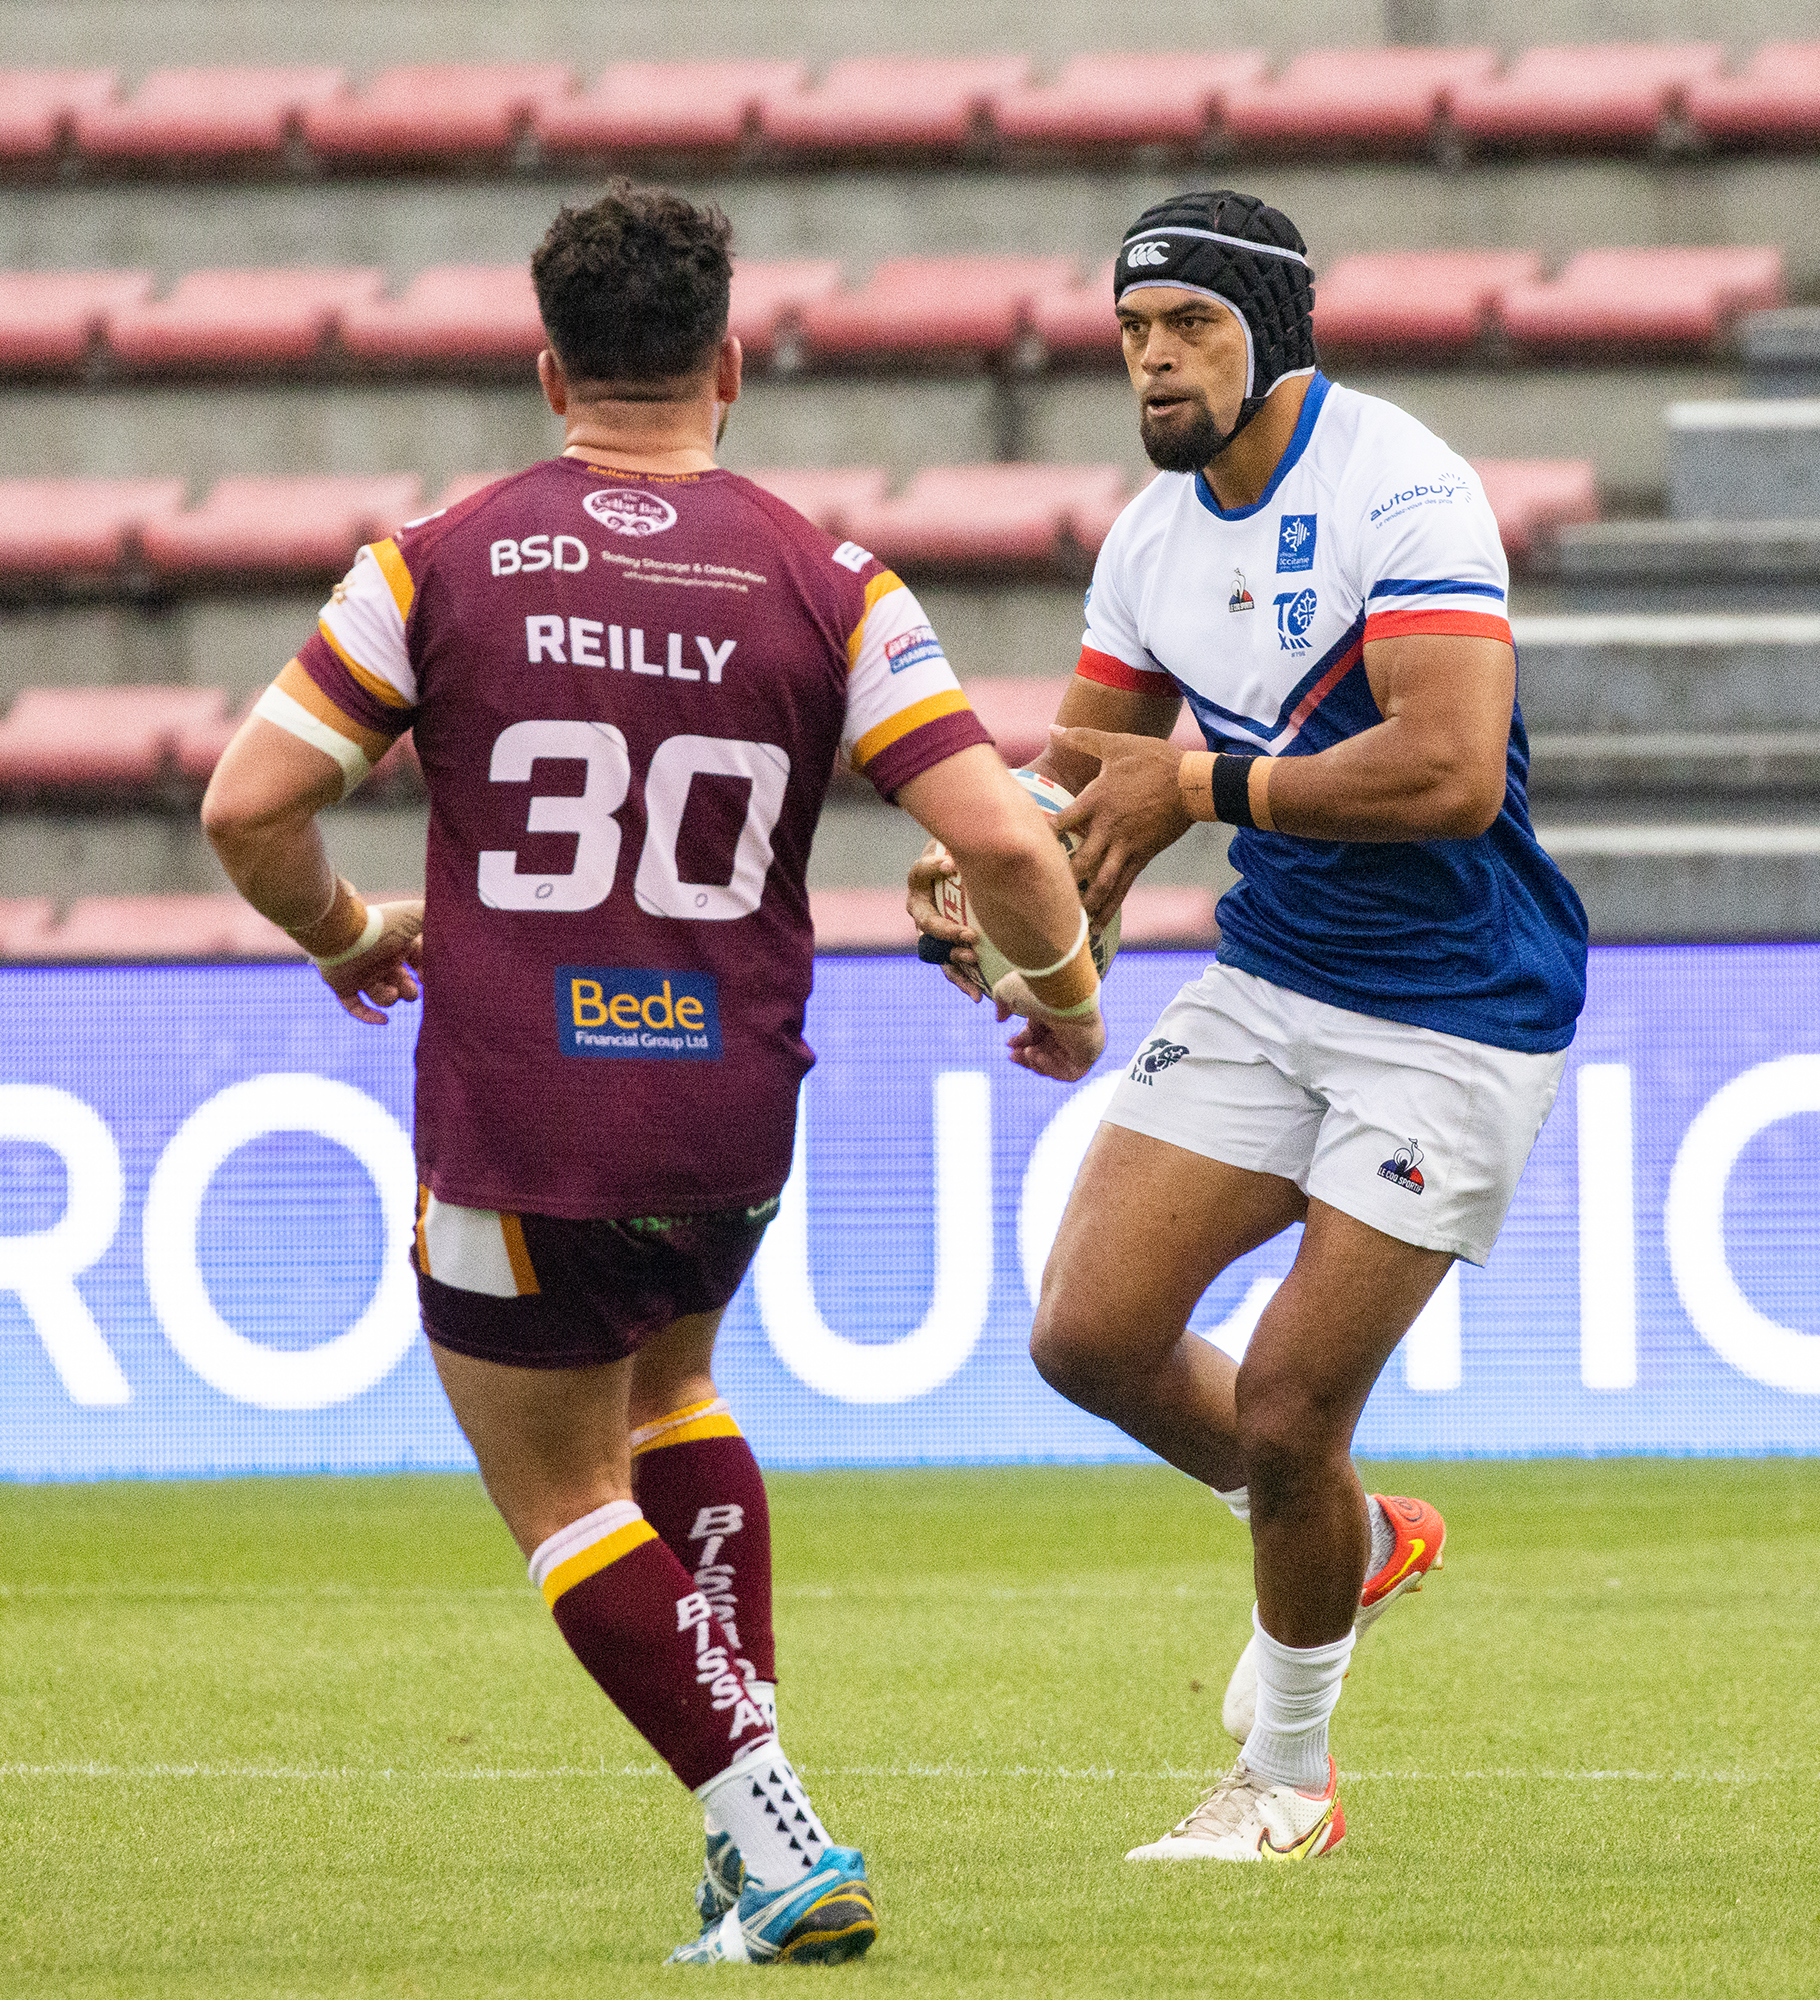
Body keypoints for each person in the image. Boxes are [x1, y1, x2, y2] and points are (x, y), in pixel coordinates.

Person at [201, 181, 1105, 1963]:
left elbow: (248, 809)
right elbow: (1005, 840)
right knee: (673, 1400)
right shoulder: (834, 583)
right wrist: (1062, 997)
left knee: (562, 1497)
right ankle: (743, 1847)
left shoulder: (433, 564)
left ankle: (775, 1836)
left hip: (526, 1116)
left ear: (552, 373)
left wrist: (344, 932)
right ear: (730, 367)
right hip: (726, 1109)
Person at [911, 189, 1587, 1860]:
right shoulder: (1151, 542)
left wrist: (1199, 785)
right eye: (1133, 332)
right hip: (1275, 982)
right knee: (1086, 1335)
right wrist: (997, 875)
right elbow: (1090, 794)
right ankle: (1353, 1538)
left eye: (1190, 326)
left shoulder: (1402, 485)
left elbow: (1448, 771)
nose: (1154, 360)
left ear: (1272, 332)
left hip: (1456, 1009)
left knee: (1288, 1409)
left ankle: (1286, 1783)